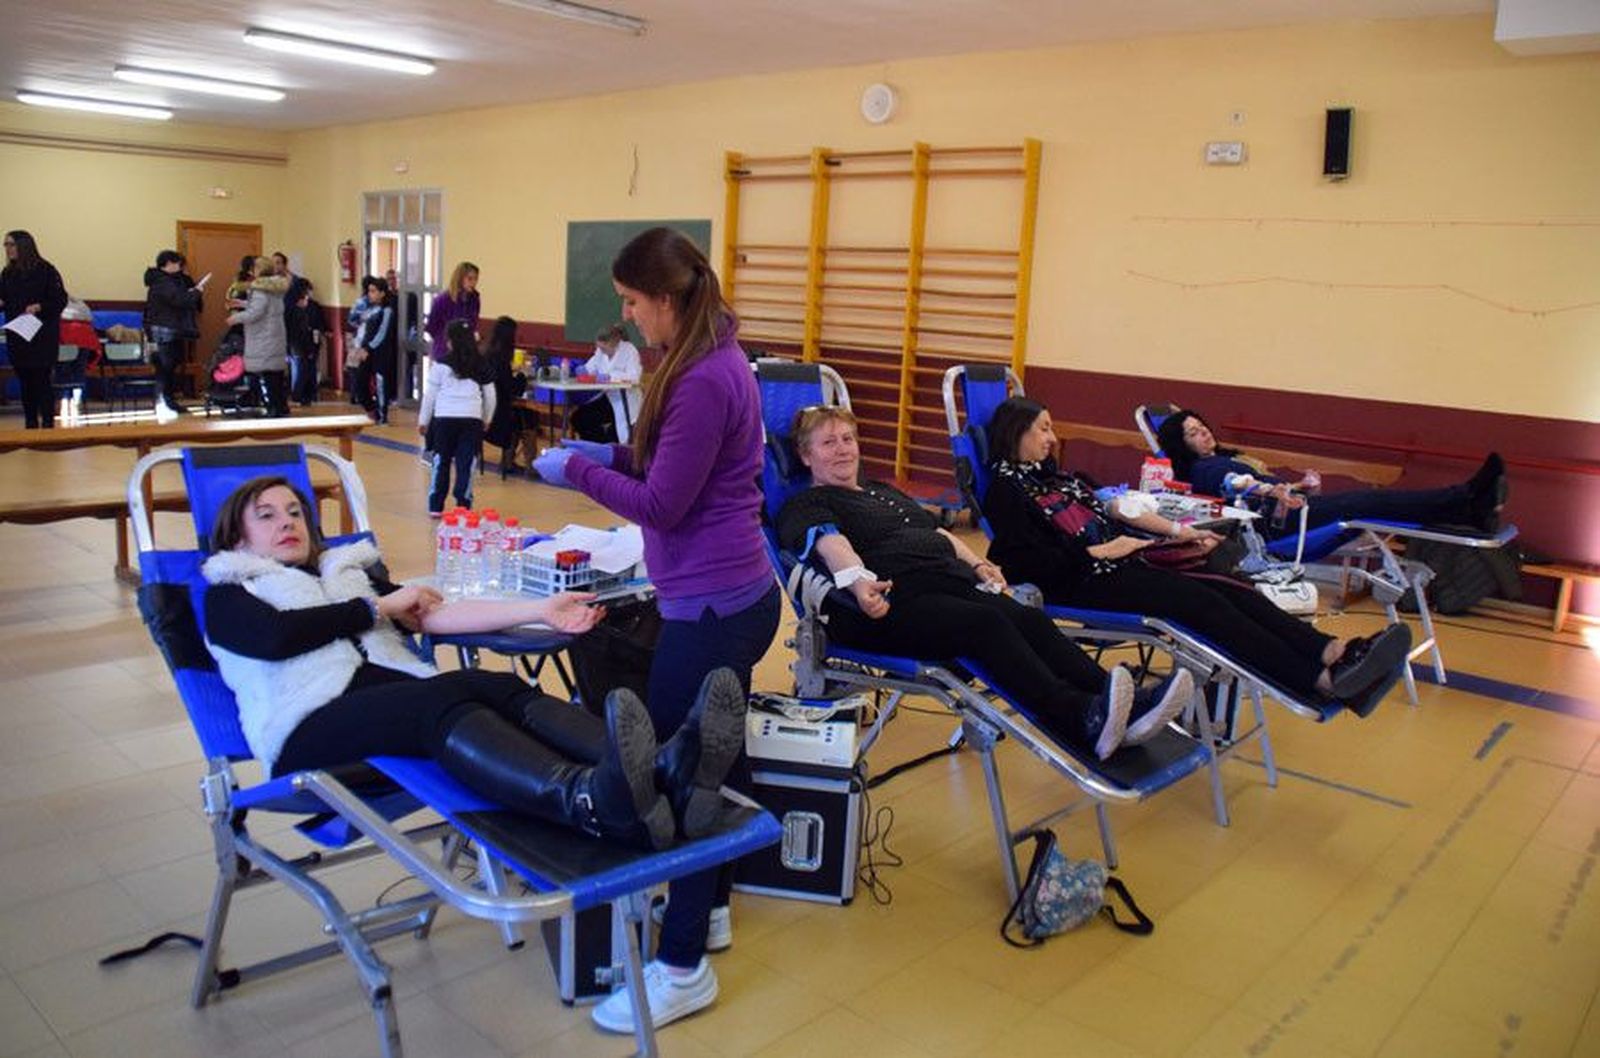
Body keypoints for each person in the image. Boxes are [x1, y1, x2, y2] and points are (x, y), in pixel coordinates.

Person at [199, 475, 751, 854]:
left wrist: (542, 609)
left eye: (295, 511)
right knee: (440, 699)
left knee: (488, 684)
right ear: (238, 535)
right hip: (306, 732)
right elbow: (274, 638)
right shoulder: (231, 588)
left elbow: (436, 614)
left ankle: (660, 770)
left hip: (392, 703)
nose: (286, 522)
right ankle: (582, 797)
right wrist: (372, 609)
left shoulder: (344, 573)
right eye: (266, 516)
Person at [531, 227, 778, 1034]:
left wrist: (578, 474)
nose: (630, 318)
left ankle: (681, 969)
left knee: (678, 782)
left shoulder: (705, 376)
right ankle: (708, 910)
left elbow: (663, 504)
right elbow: (670, 461)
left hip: (711, 607)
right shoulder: (716, 352)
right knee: (719, 758)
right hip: (732, 594)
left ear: (666, 298)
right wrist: (600, 449)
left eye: (634, 303)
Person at [777, 402, 1192, 754]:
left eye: (847, 439)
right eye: (828, 443)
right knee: (987, 625)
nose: (842, 450)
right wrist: (856, 581)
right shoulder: (809, 503)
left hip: (946, 582)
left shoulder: (883, 492)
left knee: (1026, 617)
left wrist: (978, 564)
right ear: (806, 455)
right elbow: (832, 545)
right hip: (889, 602)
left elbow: (938, 533)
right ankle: (1080, 718)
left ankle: (1129, 706)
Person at [984, 397, 1413, 717]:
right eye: (1042, 429)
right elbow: (1023, 564)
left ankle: (1334, 653)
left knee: (1235, 588)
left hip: (1121, 563)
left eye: (1051, 427)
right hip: (1082, 579)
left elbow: (1113, 513)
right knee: (1203, 603)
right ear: (1015, 432)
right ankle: (1322, 680)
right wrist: (1100, 550)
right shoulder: (1007, 491)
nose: (1052, 438)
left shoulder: (1061, 478)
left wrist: (1172, 540)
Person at [1155, 408, 1508, 537]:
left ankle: (1469, 509)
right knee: (1371, 499)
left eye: (1202, 425)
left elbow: (1263, 484)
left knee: (1371, 502)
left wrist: (1298, 486)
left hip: (1292, 509)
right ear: (1181, 445)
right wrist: (1268, 491)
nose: (1203, 432)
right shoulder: (1203, 469)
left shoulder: (1226, 455)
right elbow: (1236, 485)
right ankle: (1466, 497)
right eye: (1192, 432)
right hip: (1274, 526)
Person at [418, 320, 496, 515]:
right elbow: (490, 395)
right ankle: (463, 502)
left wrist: (423, 420)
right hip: (472, 419)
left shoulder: (441, 365)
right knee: (466, 462)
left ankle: (436, 504)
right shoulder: (481, 364)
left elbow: (430, 396)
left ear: (450, 342)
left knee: (441, 460)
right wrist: (487, 418)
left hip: (444, 418)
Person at [0, 230, 69, 429]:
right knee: (25, 380)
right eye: (6, 245)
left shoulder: (46, 270)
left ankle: (47, 423)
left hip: (41, 334)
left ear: (23, 245)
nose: (8, 249)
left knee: (41, 379)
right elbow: (5, 298)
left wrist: (39, 306)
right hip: (18, 333)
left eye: (11, 244)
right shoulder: (8, 273)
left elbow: (59, 300)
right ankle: (30, 423)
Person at [227, 256, 291, 417]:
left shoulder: (259, 289)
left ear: (258, 270)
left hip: (263, 337)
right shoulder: (274, 287)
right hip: (274, 334)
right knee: (275, 375)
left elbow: (256, 312)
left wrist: (235, 318)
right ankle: (281, 406)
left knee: (269, 376)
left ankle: (274, 409)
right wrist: (242, 304)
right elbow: (266, 307)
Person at [142, 250, 203, 415]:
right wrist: (197, 291)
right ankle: (163, 402)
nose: (179, 267)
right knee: (165, 369)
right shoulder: (163, 282)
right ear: (168, 264)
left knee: (168, 368)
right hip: (164, 332)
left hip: (166, 330)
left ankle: (167, 401)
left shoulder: (163, 281)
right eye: (177, 263)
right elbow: (179, 300)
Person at [571, 324, 643, 444]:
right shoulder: (601, 352)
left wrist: (610, 377)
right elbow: (591, 367)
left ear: (613, 343)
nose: (601, 351)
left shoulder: (629, 350)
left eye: (604, 349)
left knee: (622, 435)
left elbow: (634, 377)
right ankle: (599, 449)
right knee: (580, 418)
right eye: (600, 348)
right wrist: (581, 370)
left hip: (626, 399)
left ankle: (611, 451)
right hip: (609, 397)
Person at [483, 315, 538, 472]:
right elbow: (513, 389)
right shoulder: (500, 358)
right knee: (529, 417)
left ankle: (508, 459)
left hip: (484, 411)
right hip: (499, 417)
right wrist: (523, 374)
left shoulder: (487, 353)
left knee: (521, 415)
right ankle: (529, 464)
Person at [352, 276, 397, 424]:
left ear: (382, 293)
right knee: (359, 381)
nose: (370, 294)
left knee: (380, 384)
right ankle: (371, 410)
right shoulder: (369, 309)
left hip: (380, 352)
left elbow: (382, 333)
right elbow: (360, 327)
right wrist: (360, 347)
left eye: (373, 291)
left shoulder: (387, 310)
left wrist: (368, 348)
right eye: (369, 291)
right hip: (365, 350)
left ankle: (382, 415)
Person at [425, 262, 481, 362]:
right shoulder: (442, 300)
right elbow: (431, 327)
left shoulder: (474, 299)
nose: (473, 283)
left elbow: (473, 323)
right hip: (444, 352)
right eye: (470, 279)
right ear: (460, 279)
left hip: (465, 352)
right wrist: (445, 340)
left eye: (476, 279)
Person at [289, 282, 325, 407]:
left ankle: (305, 395)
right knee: (302, 371)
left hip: (299, 346)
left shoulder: (295, 311)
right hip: (301, 347)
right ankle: (300, 395)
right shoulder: (299, 313)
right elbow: (302, 333)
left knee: (304, 370)